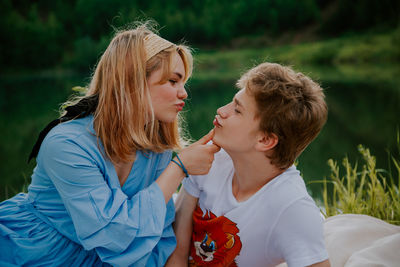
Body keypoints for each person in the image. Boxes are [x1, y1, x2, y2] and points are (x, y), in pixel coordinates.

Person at [0, 22, 220, 266]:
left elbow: (158, 231)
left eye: (183, 82)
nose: (184, 93)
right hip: (38, 252)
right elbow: (111, 234)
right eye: (172, 81)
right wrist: (178, 169)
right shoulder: (66, 144)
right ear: (132, 83)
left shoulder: (155, 144)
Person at [167, 62, 330, 267]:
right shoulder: (209, 158)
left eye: (237, 110)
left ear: (265, 140)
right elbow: (177, 252)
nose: (221, 111)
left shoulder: (292, 207)